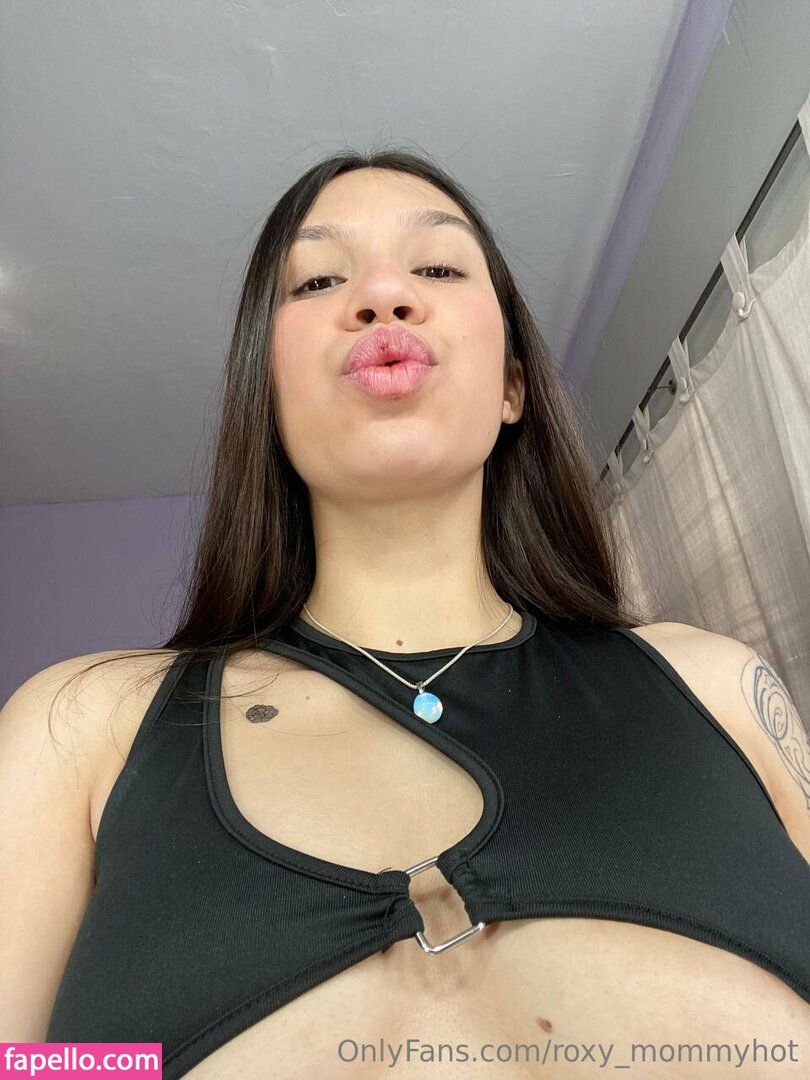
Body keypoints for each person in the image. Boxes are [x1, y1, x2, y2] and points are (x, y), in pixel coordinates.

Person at [3, 149, 810, 1079]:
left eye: (437, 267)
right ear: (266, 395)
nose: (383, 295)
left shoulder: (718, 687)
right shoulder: (80, 728)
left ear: (511, 387)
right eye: (318, 280)